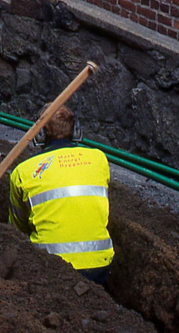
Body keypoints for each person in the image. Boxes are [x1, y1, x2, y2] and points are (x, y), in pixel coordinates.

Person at [8, 105, 114, 284]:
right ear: (76, 130)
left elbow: (17, 229)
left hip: (50, 267)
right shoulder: (99, 159)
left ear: (39, 133)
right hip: (100, 265)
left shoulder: (23, 172)